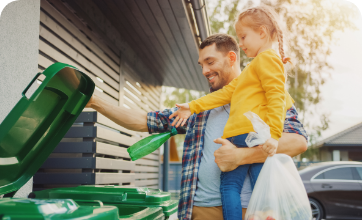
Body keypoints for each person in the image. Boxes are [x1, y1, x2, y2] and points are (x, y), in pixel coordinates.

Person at [85, 35, 308, 220]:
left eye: (210, 62)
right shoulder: (198, 110)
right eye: (201, 65)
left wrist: (241, 156)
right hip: (200, 210)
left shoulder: (270, 96)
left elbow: (298, 142)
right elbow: (145, 120)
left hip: (251, 212)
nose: (204, 71)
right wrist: (95, 102)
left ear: (232, 58)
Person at [169, 5, 299, 220]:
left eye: (243, 36)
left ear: (262, 33)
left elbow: (276, 97)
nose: (241, 43)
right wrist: (192, 106)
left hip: (242, 135)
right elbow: (226, 93)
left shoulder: (267, 60)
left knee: (230, 186)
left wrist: (275, 135)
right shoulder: (254, 67)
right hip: (249, 136)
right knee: (262, 185)